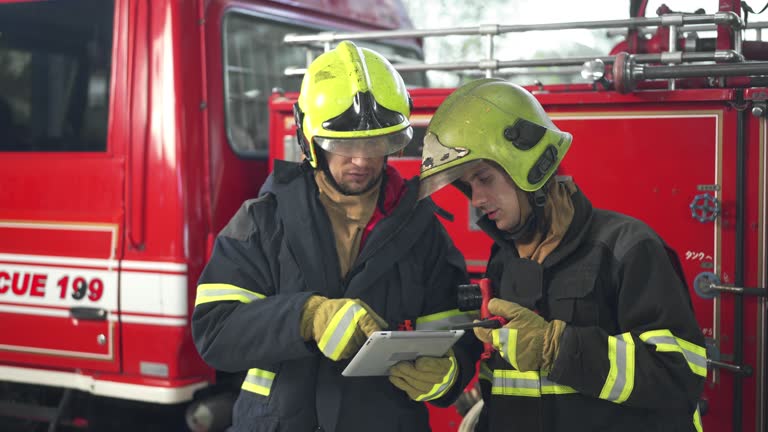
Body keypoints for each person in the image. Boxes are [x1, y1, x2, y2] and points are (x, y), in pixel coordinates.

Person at [192, 40, 480, 432]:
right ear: (309, 139)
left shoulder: (422, 231)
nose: (361, 159)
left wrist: (446, 375)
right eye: (344, 142)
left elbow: (457, 336)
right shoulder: (262, 222)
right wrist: (307, 316)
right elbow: (216, 331)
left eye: (377, 141)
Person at [417, 78, 707, 432]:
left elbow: (679, 376)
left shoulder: (628, 248)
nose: (476, 199)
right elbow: (504, 384)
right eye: (468, 185)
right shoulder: (504, 260)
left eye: (484, 178)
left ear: (531, 167)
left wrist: (560, 348)